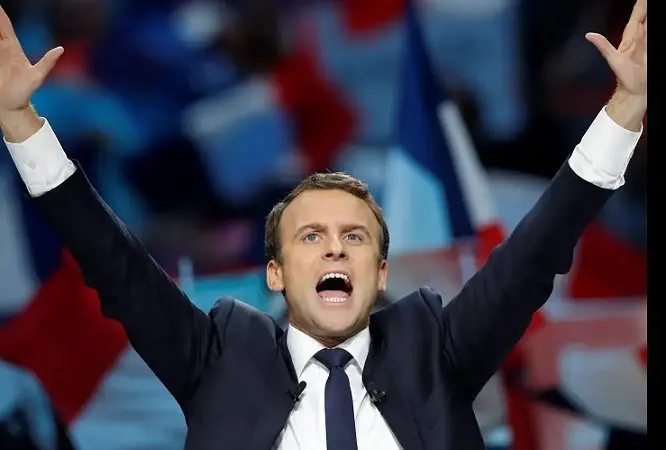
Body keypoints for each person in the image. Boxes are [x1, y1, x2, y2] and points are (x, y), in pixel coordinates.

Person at [0, 1, 646, 449]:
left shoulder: (439, 353)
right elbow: (112, 263)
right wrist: (24, 127)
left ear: (382, 272)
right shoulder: (214, 361)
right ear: (275, 272)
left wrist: (622, 115)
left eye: (354, 237)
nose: (334, 249)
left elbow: (535, 253)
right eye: (311, 237)